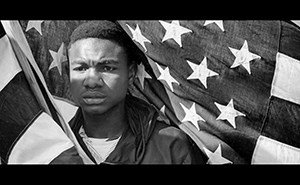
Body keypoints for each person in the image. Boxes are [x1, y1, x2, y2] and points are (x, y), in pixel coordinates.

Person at [51, 20, 207, 164]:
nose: (92, 81)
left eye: (107, 68)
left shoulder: (171, 146)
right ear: (68, 73)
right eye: (81, 68)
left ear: (131, 73)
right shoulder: (52, 147)